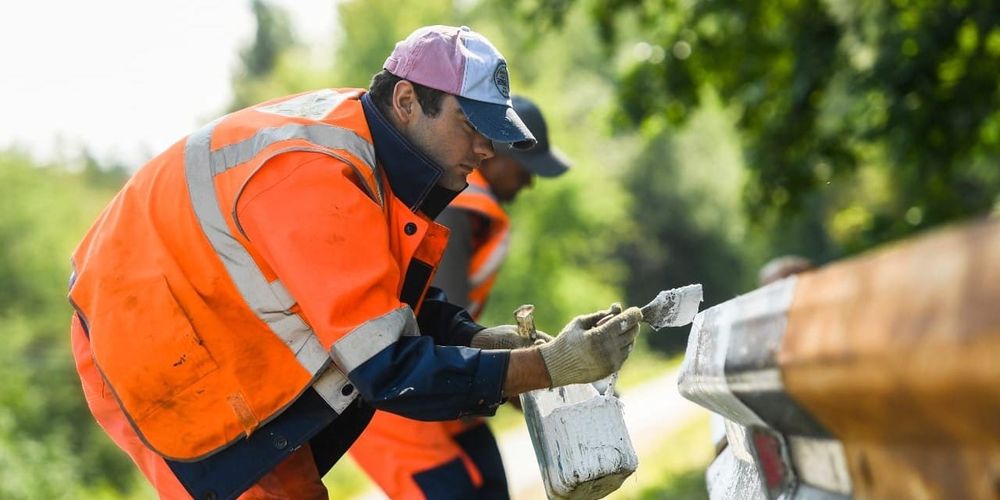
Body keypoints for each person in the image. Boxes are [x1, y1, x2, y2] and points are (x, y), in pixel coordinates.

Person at [68, 25, 642, 500]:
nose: (486, 151)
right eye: (472, 127)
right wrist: (548, 367)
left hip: (199, 322)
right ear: (408, 102)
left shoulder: (370, 151)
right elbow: (388, 369)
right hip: (143, 337)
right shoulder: (318, 177)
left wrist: (487, 341)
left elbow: (394, 300)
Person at [348, 95, 570, 499]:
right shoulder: (455, 209)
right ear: (496, 156)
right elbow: (441, 325)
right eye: (526, 169)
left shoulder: (465, 204)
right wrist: (531, 378)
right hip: (395, 398)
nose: (529, 182)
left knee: (490, 483)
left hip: (438, 379)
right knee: (458, 493)